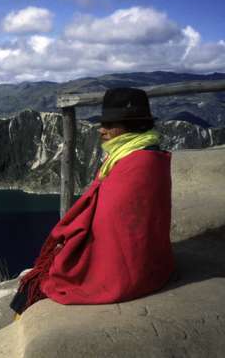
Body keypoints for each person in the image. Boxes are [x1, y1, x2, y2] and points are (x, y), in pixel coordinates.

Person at [10, 87, 175, 315]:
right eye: (102, 123)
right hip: (151, 264)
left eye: (109, 124)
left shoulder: (137, 165)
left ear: (129, 127)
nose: (101, 130)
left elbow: (107, 223)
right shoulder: (147, 156)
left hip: (126, 271)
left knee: (48, 279)